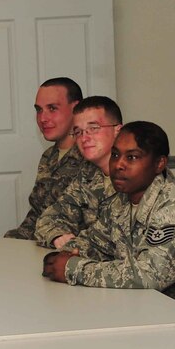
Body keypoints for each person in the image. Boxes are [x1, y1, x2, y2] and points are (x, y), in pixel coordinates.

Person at [42, 121, 175, 320]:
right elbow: (95, 241)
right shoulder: (121, 199)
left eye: (132, 157)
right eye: (115, 155)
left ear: (159, 164)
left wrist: (74, 269)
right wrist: (67, 254)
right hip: (146, 307)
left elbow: (150, 275)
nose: (118, 165)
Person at [35, 96, 121, 248]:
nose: (84, 138)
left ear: (117, 131)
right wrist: (58, 236)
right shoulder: (88, 173)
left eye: (93, 128)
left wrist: (79, 245)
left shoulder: (139, 176)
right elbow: (48, 218)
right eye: (78, 132)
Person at [4, 77, 84, 239]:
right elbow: (37, 214)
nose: (43, 118)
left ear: (75, 109)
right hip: (39, 243)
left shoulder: (90, 156)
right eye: (39, 110)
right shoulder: (49, 156)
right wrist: (12, 242)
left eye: (52, 108)